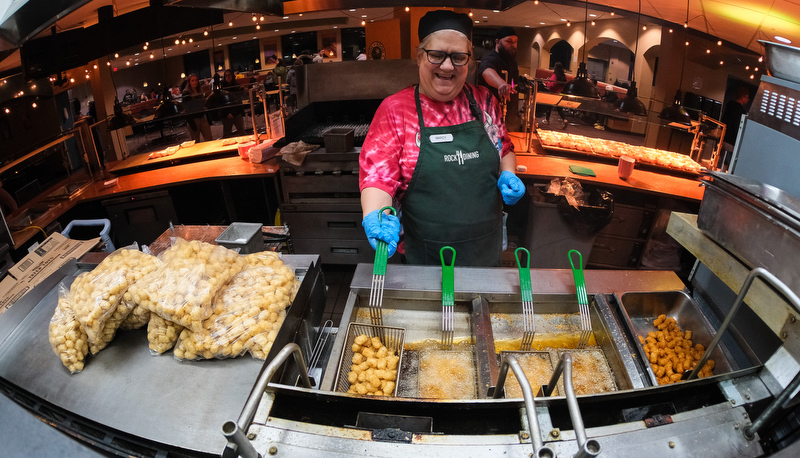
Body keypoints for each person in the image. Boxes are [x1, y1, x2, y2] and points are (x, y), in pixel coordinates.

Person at [359, 10, 526, 267]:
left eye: (458, 57)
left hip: (484, 250)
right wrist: (376, 215)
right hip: (425, 257)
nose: (447, 66)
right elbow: (378, 178)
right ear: (419, 57)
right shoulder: (396, 110)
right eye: (436, 55)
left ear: (469, 61)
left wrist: (509, 172)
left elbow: (503, 148)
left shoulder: (485, 102)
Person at [476, 26, 521, 132]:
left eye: (515, 41)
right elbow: (486, 72)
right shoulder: (490, 58)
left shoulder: (512, 61)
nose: (513, 45)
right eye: (509, 41)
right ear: (497, 42)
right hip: (491, 117)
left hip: (511, 117)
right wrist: (501, 83)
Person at [720, 85, 751, 169]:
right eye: (747, 97)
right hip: (732, 141)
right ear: (742, 97)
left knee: (722, 162)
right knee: (729, 164)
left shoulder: (729, 106)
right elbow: (738, 128)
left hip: (724, 137)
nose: (748, 100)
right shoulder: (740, 111)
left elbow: (723, 121)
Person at [181, 74, 213, 142]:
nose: (195, 82)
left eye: (196, 80)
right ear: (189, 82)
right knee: (196, 140)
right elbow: (187, 108)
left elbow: (202, 104)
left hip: (202, 116)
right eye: (192, 80)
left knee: (209, 138)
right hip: (193, 119)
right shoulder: (186, 93)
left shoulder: (199, 91)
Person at [220, 69, 246, 138]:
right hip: (227, 114)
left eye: (229, 75)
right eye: (226, 76)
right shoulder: (222, 88)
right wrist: (227, 113)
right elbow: (221, 102)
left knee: (242, 132)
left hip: (237, 112)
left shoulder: (236, 86)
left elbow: (239, 100)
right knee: (227, 134)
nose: (228, 77)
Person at [543, 62, 569, 129]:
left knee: (548, 107)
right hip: (559, 94)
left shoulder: (555, 75)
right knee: (559, 109)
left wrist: (546, 81)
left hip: (552, 93)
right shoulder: (563, 76)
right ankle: (564, 120)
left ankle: (547, 120)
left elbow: (551, 85)